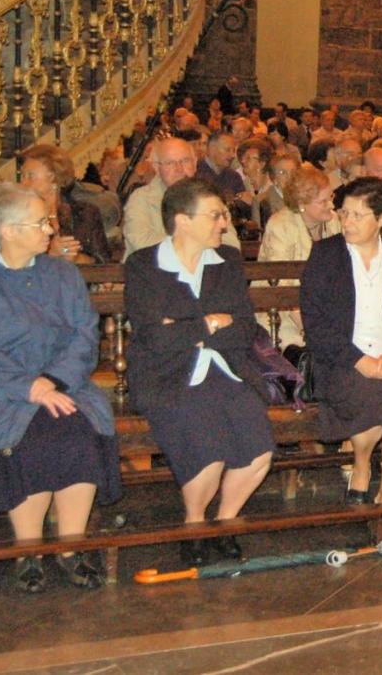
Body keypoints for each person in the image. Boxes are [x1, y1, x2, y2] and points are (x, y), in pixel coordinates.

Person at [0, 184, 120, 592]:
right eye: (42, 222)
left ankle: (70, 547)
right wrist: (30, 387)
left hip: (65, 384)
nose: (51, 229)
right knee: (32, 436)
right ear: (8, 231)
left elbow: (84, 336)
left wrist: (55, 382)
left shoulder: (63, 274)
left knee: (80, 432)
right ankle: (27, 549)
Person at [124, 179, 275, 566]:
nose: (224, 223)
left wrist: (185, 327)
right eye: (215, 215)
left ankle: (224, 522)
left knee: (258, 450)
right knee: (207, 448)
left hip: (226, 370)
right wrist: (208, 323)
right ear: (182, 221)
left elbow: (244, 328)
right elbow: (153, 336)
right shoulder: (144, 265)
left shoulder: (227, 260)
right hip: (167, 375)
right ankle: (193, 525)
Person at [300, 178, 382, 512]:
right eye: (344, 214)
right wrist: (359, 360)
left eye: (358, 215)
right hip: (341, 362)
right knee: (369, 395)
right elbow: (315, 323)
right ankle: (361, 463)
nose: (348, 223)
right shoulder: (325, 255)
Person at [257, 166, 341, 351]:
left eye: (331, 197)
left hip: (325, 307)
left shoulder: (333, 221)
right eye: (323, 201)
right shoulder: (281, 225)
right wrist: (310, 326)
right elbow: (281, 282)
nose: (331, 206)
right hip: (281, 311)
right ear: (302, 203)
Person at [123, 138, 240, 259]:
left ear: (195, 164)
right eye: (170, 163)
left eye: (185, 161)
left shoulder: (211, 198)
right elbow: (141, 243)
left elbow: (231, 244)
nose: (179, 169)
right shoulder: (141, 199)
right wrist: (197, 242)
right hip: (152, 273)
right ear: (156, 168)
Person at [19, 144, 111, 264]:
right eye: (22, 176)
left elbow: (104, 264)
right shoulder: (18, 216)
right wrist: (51, 254)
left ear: (53, 178)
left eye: (30, 176)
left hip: (80, 281)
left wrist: (76, 258)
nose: (23, 183)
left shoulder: (85, 212)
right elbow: (16, 264)